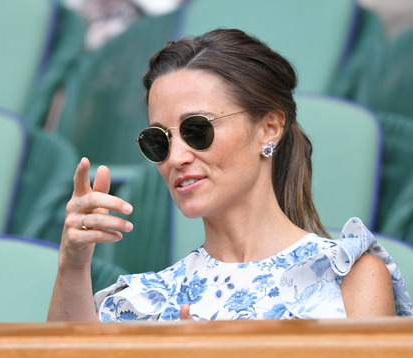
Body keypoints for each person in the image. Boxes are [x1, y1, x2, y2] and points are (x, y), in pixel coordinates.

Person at [48, 28, 413, 322]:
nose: (176, 157)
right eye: (158, 140)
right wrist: (73, 264)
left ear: (269, 128)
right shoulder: (146, 302)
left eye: (196, 130)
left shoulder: (349, 276)